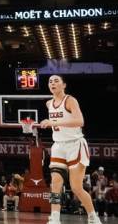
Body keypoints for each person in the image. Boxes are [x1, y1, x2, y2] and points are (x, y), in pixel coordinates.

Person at [41, 75, 102, 224]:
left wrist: (53, 122)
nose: (52, 83)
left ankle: (93, 217)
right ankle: (55, 218)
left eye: (56, 81)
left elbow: (80, 121)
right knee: (55, 183)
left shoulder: (70, 100)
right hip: (59, 145)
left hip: (75, 144)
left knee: (76, 187)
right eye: (50, 81)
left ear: (64, 85)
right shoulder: (49, 103)